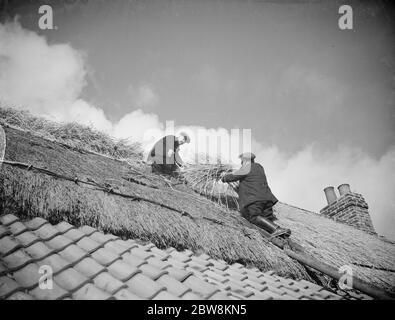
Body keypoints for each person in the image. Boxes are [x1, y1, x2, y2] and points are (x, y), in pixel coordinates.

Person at [221, 152, 291, 238]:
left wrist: (224, 177)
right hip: (267, 199)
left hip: (255, 199)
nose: (241, 163)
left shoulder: (247, 168)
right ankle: (280, 237)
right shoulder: (259, 167)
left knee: (254, 217)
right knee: (267, 220)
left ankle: (277, 229)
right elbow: (251, 181)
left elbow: (233, 177)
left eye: (242, 161)